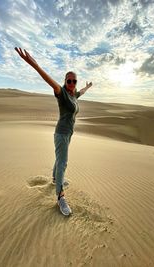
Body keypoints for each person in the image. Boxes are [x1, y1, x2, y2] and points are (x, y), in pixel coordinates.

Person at [15, 47, 92, 216]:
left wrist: (87, 87)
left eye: (74, 81)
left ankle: (56, 179)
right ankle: (60, 197)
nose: (71, 84)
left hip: (68, 134)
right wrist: (34, 65)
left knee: (59, 159)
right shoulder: (62, 93)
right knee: (63, 162)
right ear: (65, 82)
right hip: (61, 134)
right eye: (68, 81)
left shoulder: (73, 96)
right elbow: (49, 80)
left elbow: (81, 93)